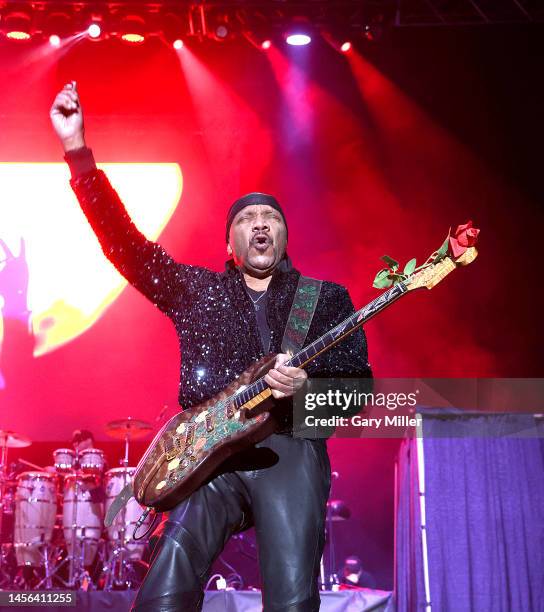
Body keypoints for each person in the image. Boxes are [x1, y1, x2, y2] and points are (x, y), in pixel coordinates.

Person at [50, 81, 372, 612]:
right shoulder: (199, 292)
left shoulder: (325, 298)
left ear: (284, 237)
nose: (260, 224)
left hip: (289, 451)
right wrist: (77, 150)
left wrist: (307, 389)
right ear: (231, 243)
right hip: (207, 458)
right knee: (161, 598)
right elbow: (127, 248)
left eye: (271, 218)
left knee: (291, 602)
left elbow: (360, 386)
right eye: (247, 219)